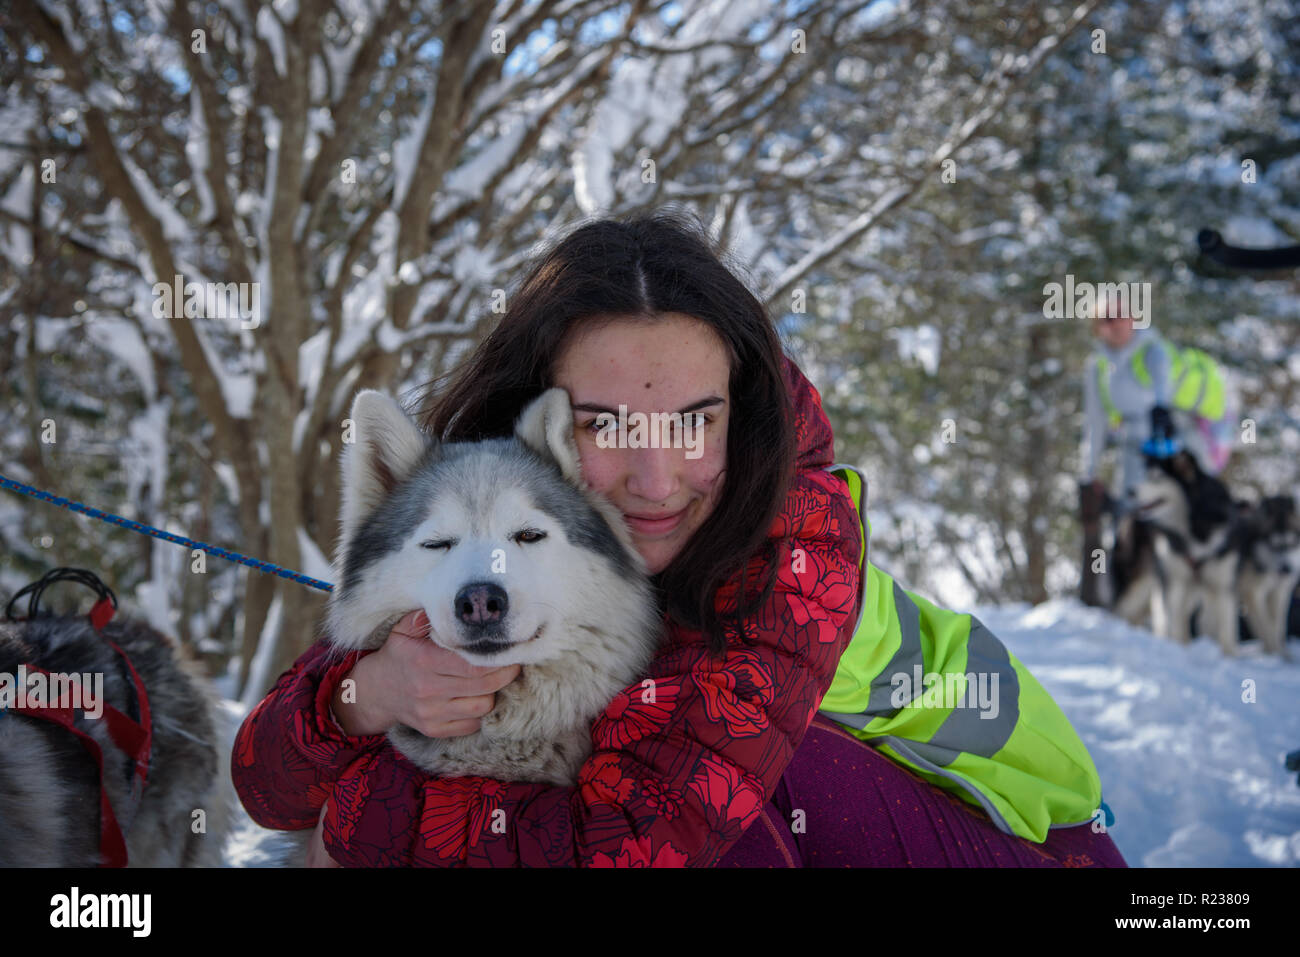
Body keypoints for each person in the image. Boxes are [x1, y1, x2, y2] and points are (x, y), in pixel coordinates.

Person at [233, 207, 1126, 867]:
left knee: (726, 809)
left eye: (695, 422)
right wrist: (369, 694)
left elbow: (635, 847)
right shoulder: (487, 523)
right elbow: (267, 782)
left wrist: (356, 812)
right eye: (606, 426)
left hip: (1037, 845)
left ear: (744, 413)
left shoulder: (789, 548)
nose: (657, 483)